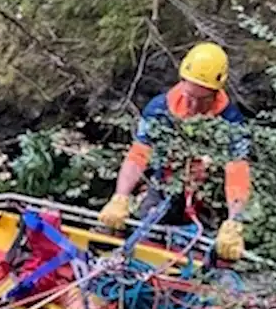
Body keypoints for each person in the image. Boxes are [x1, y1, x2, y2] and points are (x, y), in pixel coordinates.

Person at [97, 41, 252, 261]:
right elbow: (138, 155)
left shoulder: (231, 123)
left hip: (205, 199)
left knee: (213, 255)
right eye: (190, 97)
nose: (194, 107)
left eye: (202, 100)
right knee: (134, 239)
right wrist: (120, 196)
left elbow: (237, 172)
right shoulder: (160, 109)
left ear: (216, 92)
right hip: (162, 188)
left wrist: (234, 219)